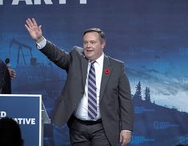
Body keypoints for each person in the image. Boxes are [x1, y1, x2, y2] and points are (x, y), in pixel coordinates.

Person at [25, 18, 134, 146]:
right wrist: (40, 39)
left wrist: (126, 128)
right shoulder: (76, 57)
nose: (88, 46)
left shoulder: (116, 67)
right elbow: (57, 55)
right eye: (85, 42)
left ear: (102, 44)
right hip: (78, 128)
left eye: (92, 42)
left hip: (103, 128)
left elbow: (125, 100)